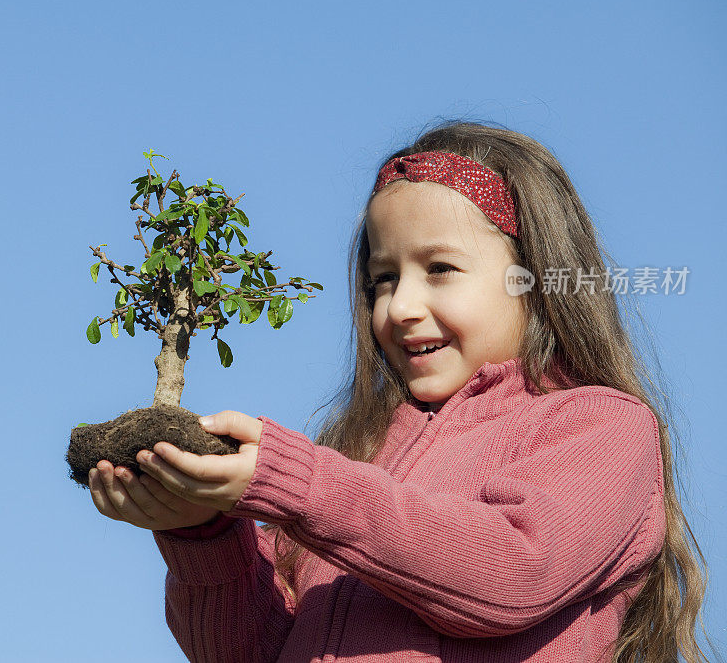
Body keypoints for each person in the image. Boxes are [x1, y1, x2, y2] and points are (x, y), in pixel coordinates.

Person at [87, 121, 715, 662]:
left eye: (439, 269)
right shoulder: (358, 451)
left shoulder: (600, 429)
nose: (401, 307)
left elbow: (512, 573)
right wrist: (205, 536)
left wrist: (299, 484)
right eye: (383, 278)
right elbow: (250, 650)